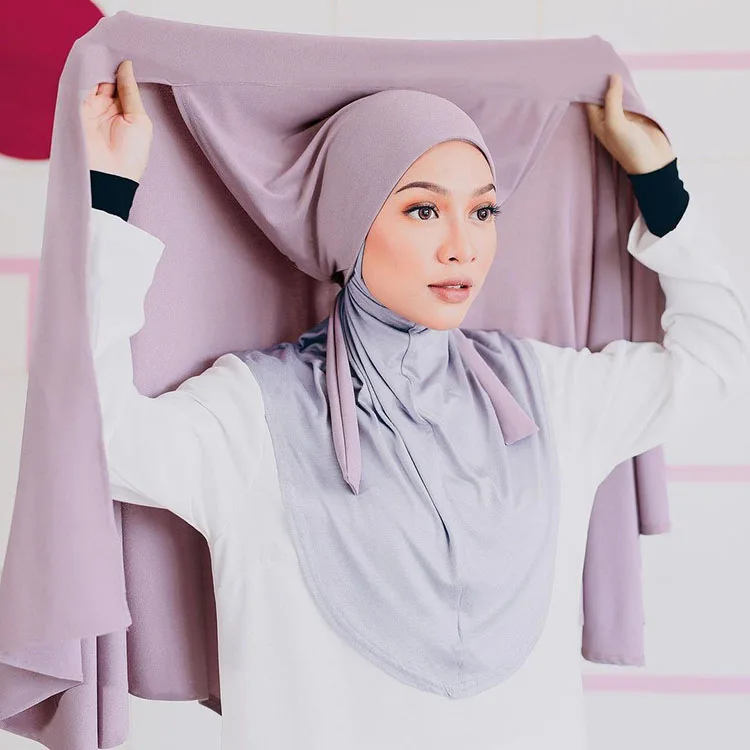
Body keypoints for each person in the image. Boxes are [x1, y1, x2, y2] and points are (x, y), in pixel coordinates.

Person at [80, 60, 750, 749]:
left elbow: (714, 362)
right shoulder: (255, 412)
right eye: (423, 210)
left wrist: (659, 182)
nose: (463, 247)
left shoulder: (548, 395)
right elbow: (99, 437)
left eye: (483, 211)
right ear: (350, 218)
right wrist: (110, 197)